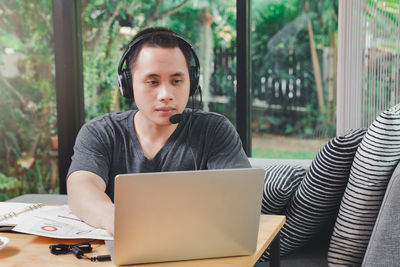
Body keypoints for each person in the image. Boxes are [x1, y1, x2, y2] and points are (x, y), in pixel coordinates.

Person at [67, 27, 251, 235]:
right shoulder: (100, 132)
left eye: (176, 81)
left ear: (192, 83)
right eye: (152, 82)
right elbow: (82, 187)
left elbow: (239, 197)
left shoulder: (214, 130)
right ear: (127, 85)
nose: (165, 94)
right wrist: (115, 220)